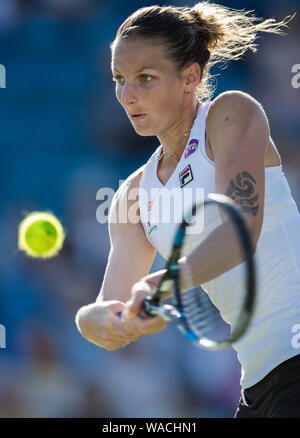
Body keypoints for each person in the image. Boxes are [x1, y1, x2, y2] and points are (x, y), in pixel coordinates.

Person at [75, 3, 300, 418]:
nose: (127, 95)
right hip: (258, 383)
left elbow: (240, 231)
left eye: (146, 79)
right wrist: (98, 322)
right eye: (119, 80)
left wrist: (167, 282)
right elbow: (112, 304)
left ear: (191, 77)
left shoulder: (232, 113)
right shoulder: (131, 196)